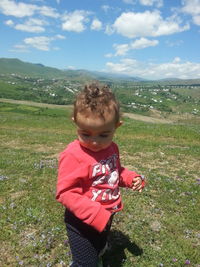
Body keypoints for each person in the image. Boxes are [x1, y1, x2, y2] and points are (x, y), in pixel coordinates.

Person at [56, 82, 146, 267]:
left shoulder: (112, 148)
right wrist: (95, 213)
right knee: (85, 263)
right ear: (75, 122)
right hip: (81, 222)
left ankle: (98, 251)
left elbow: (115, 172)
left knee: (98, 248)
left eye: (103, 135)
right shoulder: (73, 154)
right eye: (85, 134)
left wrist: (130, 178)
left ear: (117, 126)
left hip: (106, 214)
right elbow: (65, 192)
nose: (95, 142)